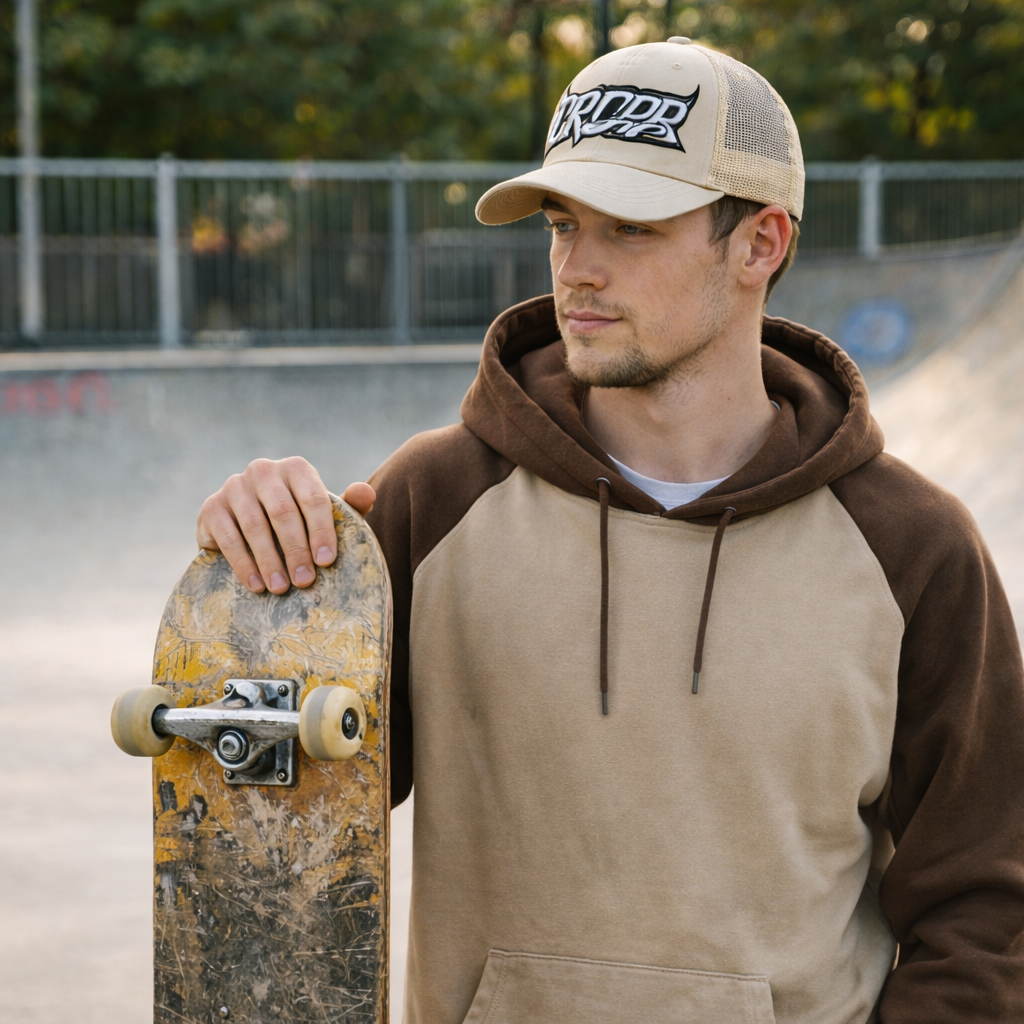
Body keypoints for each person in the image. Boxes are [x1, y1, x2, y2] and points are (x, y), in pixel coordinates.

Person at [195, 40, 1024, 1024]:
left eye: (630, 227)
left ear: (759, 243)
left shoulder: (911, 548)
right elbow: (272, 822)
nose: (576, 269)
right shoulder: (434, 499)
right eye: (561, 223)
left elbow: (984, 909)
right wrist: (262, 579)